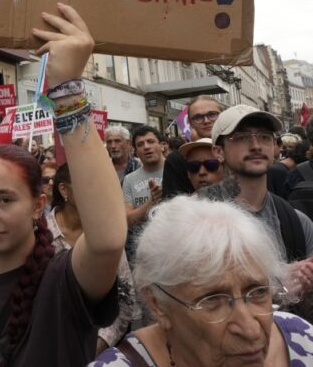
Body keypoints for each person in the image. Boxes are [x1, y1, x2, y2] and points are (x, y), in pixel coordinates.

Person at [0, 3, 124, 366]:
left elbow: (108, 239)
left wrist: (67, 90)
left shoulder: (63, 281)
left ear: (38, 204)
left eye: (4, 200)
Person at [92, 197, 313, 366]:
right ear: (157, 304)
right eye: (214, 300)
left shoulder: (301, 337)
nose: (250, 330)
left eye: (257, 292)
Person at [199, 105, 313, 263]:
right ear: (219, 152)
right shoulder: (194, 218)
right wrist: (284, 280)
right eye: (242, 137)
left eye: (264, 137)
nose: (256, 146)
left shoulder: (297, 222)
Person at [48, 163, 140, 354]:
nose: (98, 191)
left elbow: (126, 297)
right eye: (89, 183)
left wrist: (99, 345)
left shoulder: (107, 233)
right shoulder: (40, 234)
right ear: (64, 189)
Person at [162, 95, 223, 198]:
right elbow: (172, 203)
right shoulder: (176, 159)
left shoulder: (236, 152)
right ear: (190, 123)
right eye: (198, 117)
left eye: (212, 114)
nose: (206, 121)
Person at [123, 126, 165, 265]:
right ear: (135, 151)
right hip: (142, 252)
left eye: (151, 141)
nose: (146, 147)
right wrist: (151, 202)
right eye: (140, 144)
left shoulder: (176, 169)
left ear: (161, 145)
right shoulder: (129, 179)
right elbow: (128, 220)